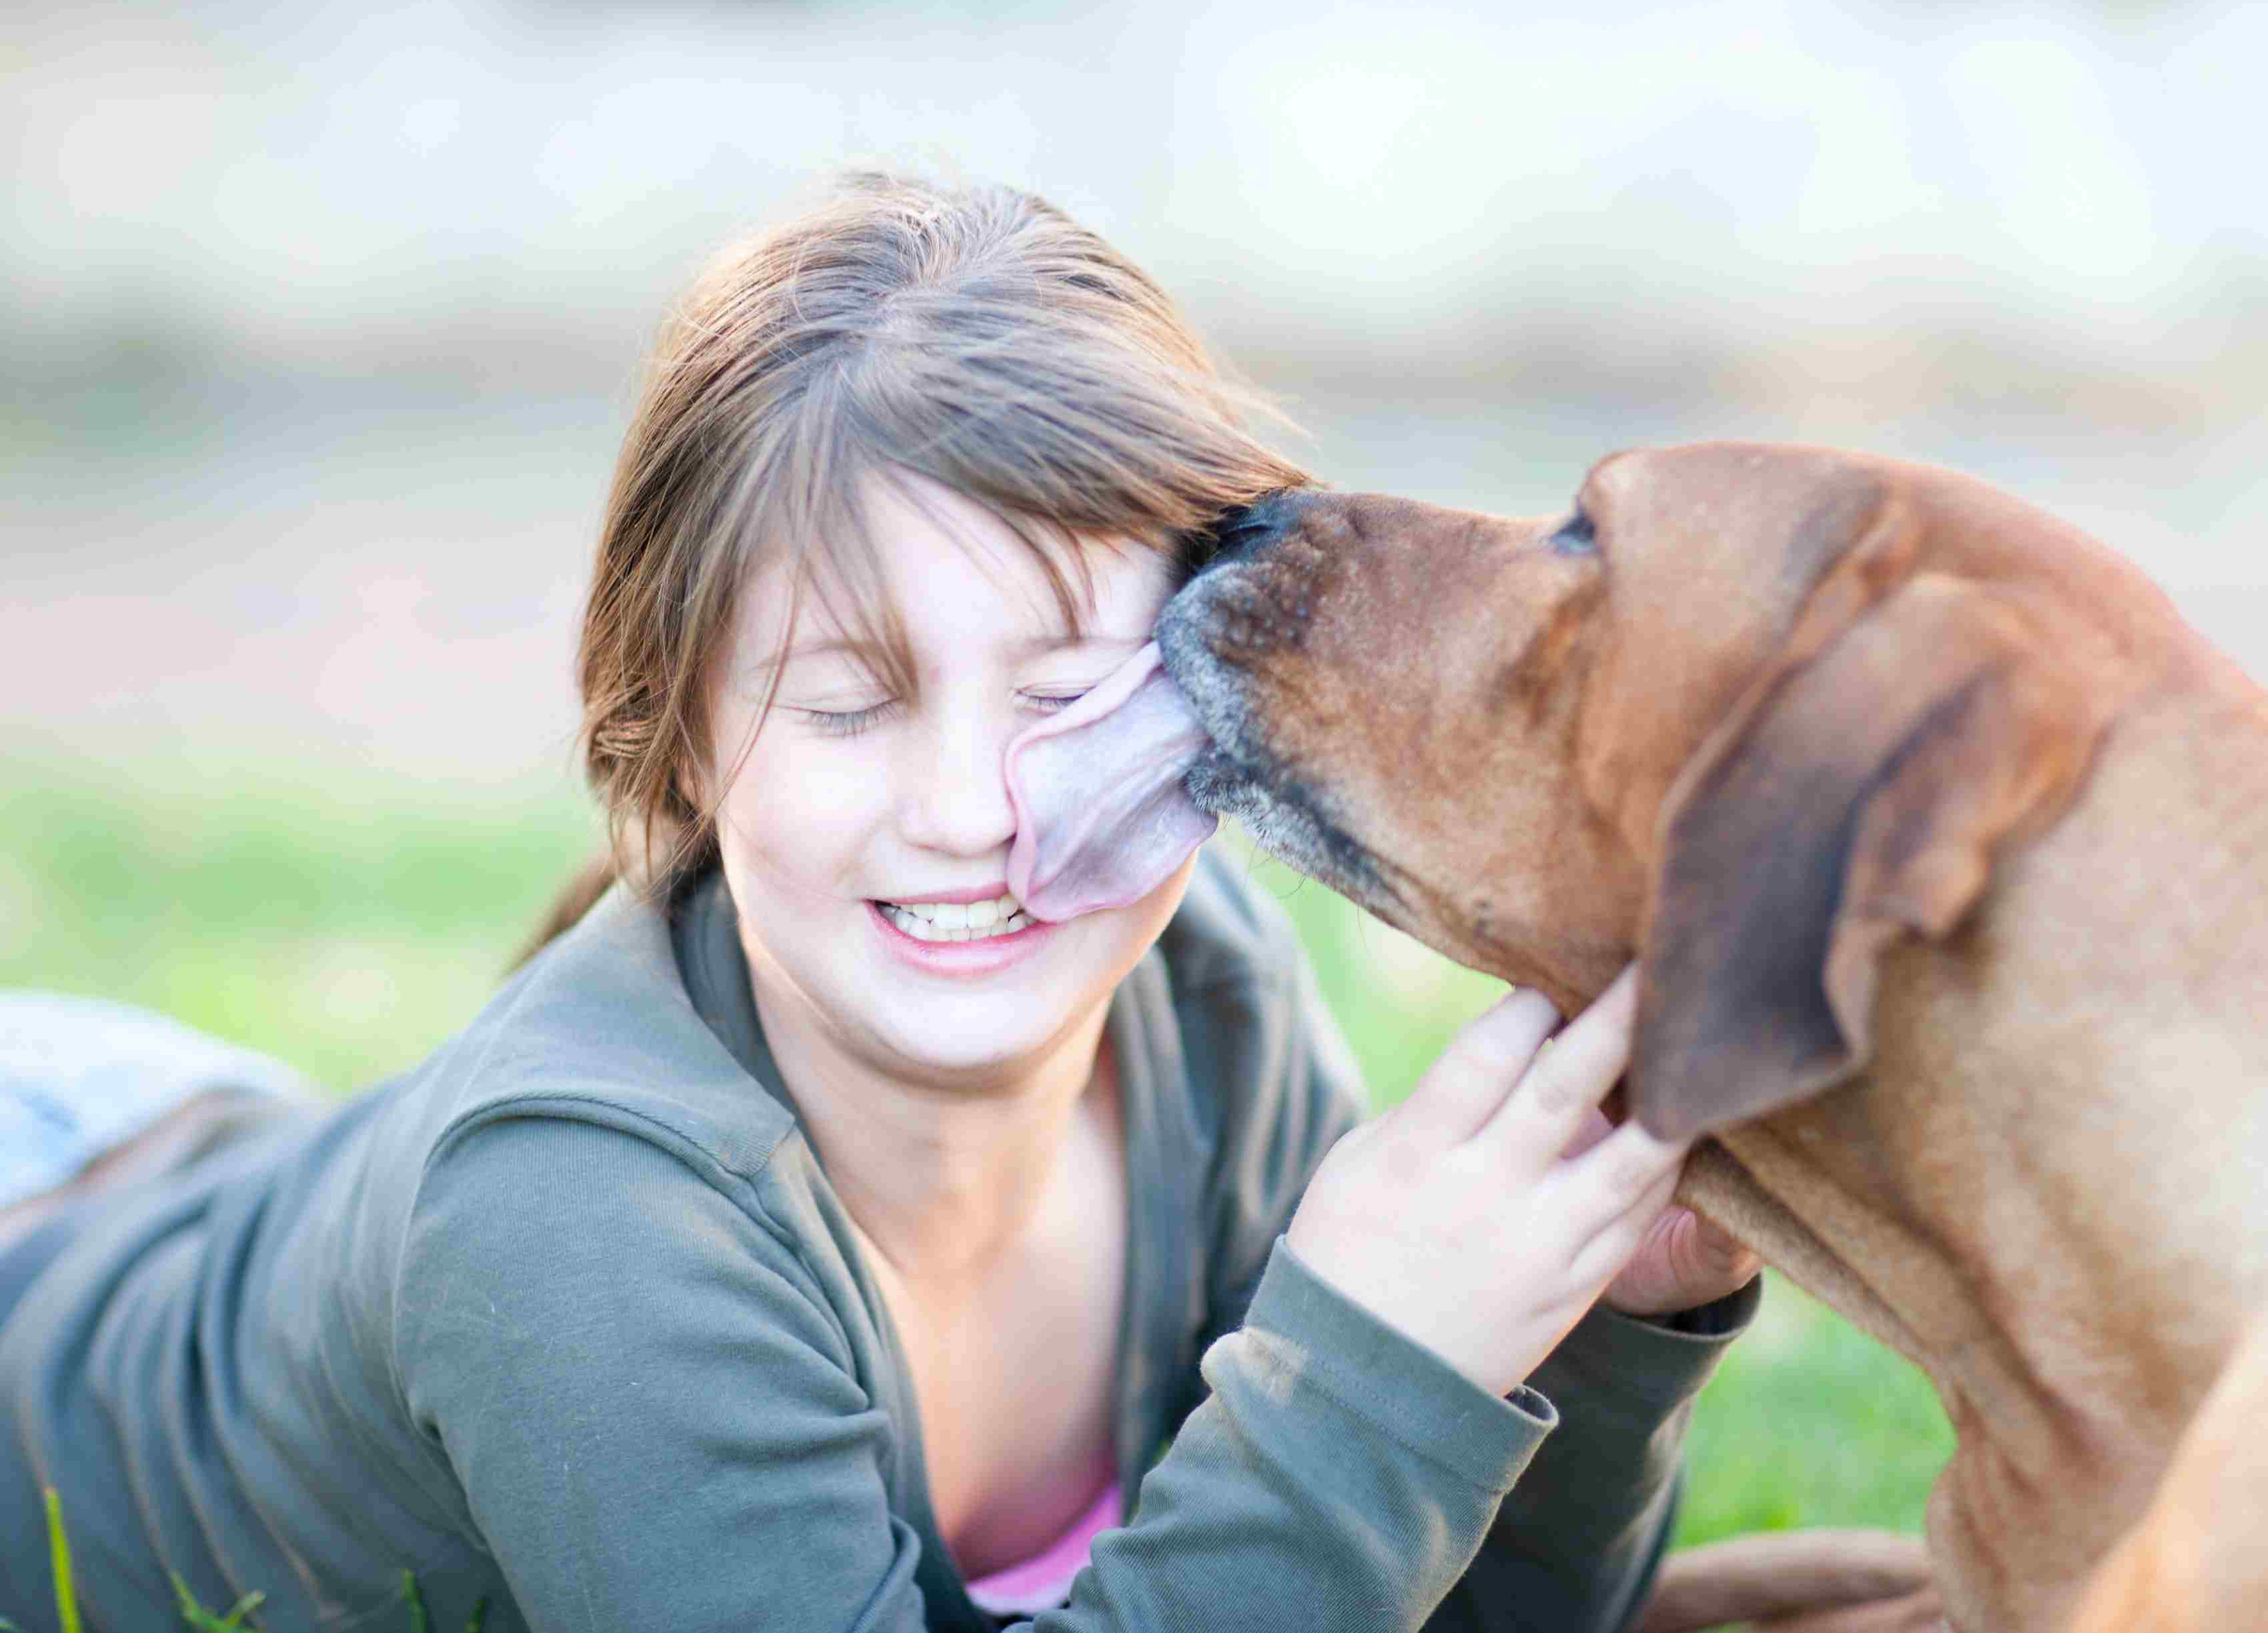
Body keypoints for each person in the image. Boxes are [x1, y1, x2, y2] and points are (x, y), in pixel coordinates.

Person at [0, 174, 1762, 1633]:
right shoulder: (585, 1236)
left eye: (1072, 685)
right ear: (677, 740)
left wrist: (1597, 1322)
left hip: (204, 1146)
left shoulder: (1204, 995)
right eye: (850, 702)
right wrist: (1364, 1362)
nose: (976, 812)